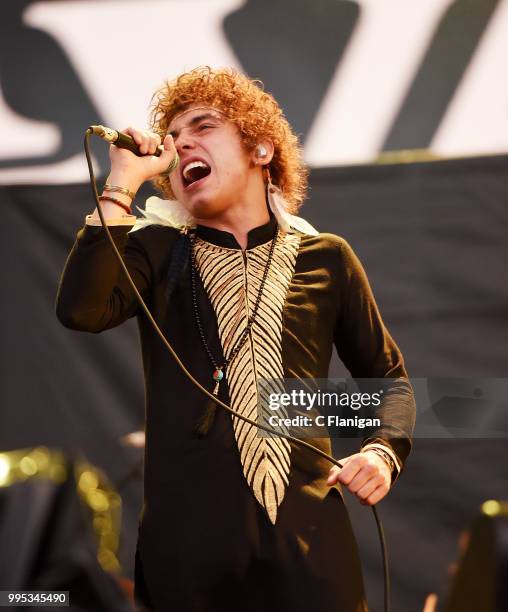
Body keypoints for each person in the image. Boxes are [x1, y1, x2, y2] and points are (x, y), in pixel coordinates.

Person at [56, 66, 415, 612]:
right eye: (172, 141)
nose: (181, 146)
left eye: (202, 126)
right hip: (187, 546)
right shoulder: (157, 252)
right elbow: (82, 310)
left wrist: (381, 451)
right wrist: (121, 185)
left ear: (262, 149)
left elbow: (388, 380)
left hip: (309, 538)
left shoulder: (328, 258)